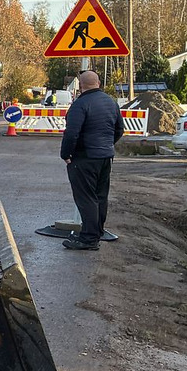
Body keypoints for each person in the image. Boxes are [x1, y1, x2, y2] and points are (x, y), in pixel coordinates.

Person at [59, 69, 124, 251]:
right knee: (100, 196)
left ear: (80, 86)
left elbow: (72, 133)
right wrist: (107, 145)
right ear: (99, 83)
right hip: (105, 156)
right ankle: (97, 232)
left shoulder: (80, 104)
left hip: (85, 157)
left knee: (86, 197)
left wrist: (66, 154)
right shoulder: (110, 102)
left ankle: (88, 239)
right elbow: (119, 129)